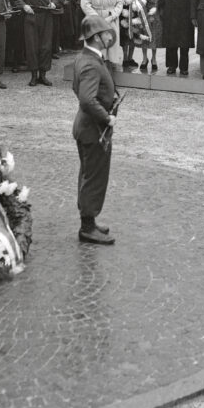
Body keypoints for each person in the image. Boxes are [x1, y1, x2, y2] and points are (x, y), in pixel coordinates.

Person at [71, 15, 120, 245]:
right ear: (96, 38)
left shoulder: (86, 57)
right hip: (94, 130)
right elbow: (87, 99)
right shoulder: (91, 63)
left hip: (88, 128)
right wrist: (106, 117)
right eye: (106, 34)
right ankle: (87, 228)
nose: (110, 36)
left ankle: (89, 220)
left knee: (89, 174)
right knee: (93, 177)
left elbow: (78, 89)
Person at [13, 0, 59, 86]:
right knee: (32, 46)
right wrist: (24, 6)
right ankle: (33, 75)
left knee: (45, 46)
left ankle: (43, 75)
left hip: (46, 16)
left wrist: (54, 4)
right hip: (32, 16)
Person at [79, 0, 124, 70]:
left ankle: (110, 72)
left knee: (111, 44)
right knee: (96, 45)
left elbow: (119, 2)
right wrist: (97, 19)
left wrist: (112, 16)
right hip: (95, 18)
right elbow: (85, 4)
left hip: (111, 18)